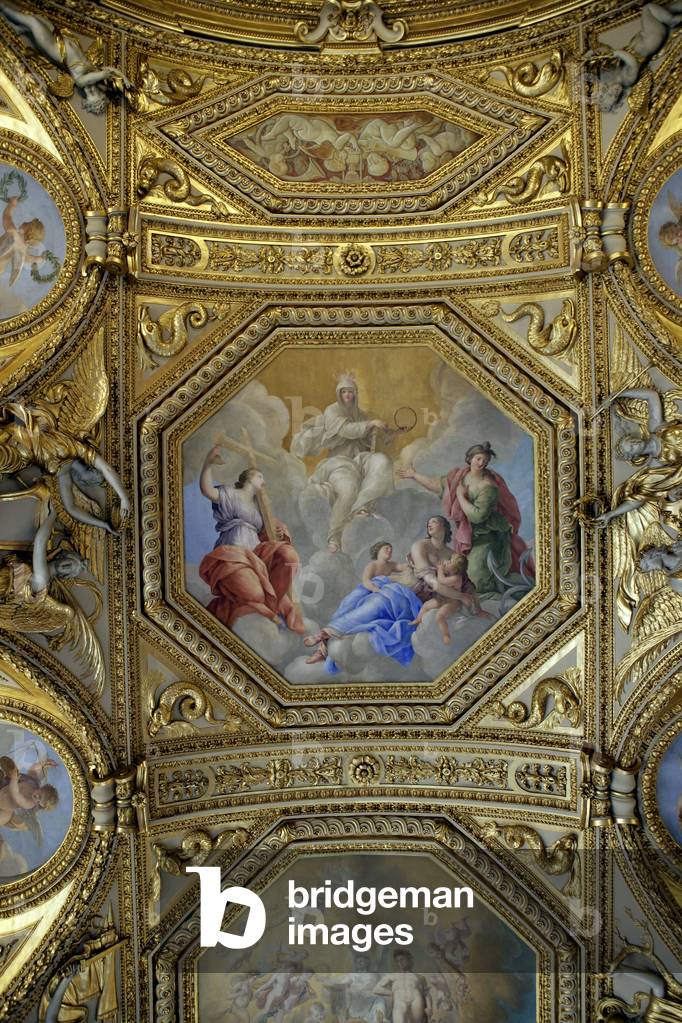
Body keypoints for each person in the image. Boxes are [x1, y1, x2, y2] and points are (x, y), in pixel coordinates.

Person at [398, 442, 533, 598]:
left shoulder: (488, 486)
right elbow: (440, 486)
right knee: (463, 577)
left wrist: (461, 496)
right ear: (470, 458)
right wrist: (414, 475)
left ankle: (524, 588)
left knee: (476, 581)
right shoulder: (460, 476)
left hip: (488, 539)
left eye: (485, 460)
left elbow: (477, 516)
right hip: (470, 538)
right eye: (478, 458)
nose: (481, 463)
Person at [198, 448, 304, 633]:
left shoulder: (258, 509)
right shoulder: (230, 494)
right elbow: (207, 491)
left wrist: (281, 531)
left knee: (289, 556)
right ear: (250, 478)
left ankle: (269, 605)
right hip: (234, 554)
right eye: (260, 477)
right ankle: (268, 612)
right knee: (255, 594)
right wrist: (207, 464)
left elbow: (268, 534)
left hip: (256, 556)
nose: (264, 482)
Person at [291, 372, 394, 552]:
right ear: (339, 394)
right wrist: (370, 424)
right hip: (338, 463)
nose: (348, 395)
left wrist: (388, 435)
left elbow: (368, 440)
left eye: (351, 391)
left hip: (359, 459)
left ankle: (361, 505)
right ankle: (335, 536)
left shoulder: (360, 415)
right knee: (348, 488)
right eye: (344, 392)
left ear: (355, 394)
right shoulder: (332, 411)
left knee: (381, 461)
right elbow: (347, 430)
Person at [0, 3, 131, 115]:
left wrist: (105, 76)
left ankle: (4, 9)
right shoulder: (95, 73)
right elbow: (109, 71)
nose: (93, 91)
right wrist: (124, 79)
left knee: (32, 22)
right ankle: (19, 28)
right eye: (97, 94)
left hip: (55, 49)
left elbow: (96, 77)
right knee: (36, 19)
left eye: (92, 96)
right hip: (61, 39)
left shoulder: (83, 80)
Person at [410, 553, 489, 643]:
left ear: (455, 569)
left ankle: (446, 634)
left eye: (450, 561)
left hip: (453, 602)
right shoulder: (450, 573)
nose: (447, 562)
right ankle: (418, 619)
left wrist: (440, 569)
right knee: (426, 605)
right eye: (449, 559)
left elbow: (441, 580)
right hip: (443, 599)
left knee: (439, 616)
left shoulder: (456, 578)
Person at [0, 753, 59, 826]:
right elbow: (33, 770)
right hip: (2, 789)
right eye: (40, 796)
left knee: (5, 817)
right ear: (42, 788)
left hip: (4, 805)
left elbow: (15, 794)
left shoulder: (29, 804)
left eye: (39, 802)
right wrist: (44, 763)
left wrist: (14, 778)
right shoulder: (33, 782)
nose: (37, 798)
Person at [373, 951, 431, 1023]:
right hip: (399, 1002)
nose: (400, 962)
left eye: (402, 959)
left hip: (416, 1000)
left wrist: (429, 1007)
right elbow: (376, 989)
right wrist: (392, 993)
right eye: (397, 960)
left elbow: (426, 993)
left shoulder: (419, 977)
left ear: (408, 960)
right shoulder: (391, 976)